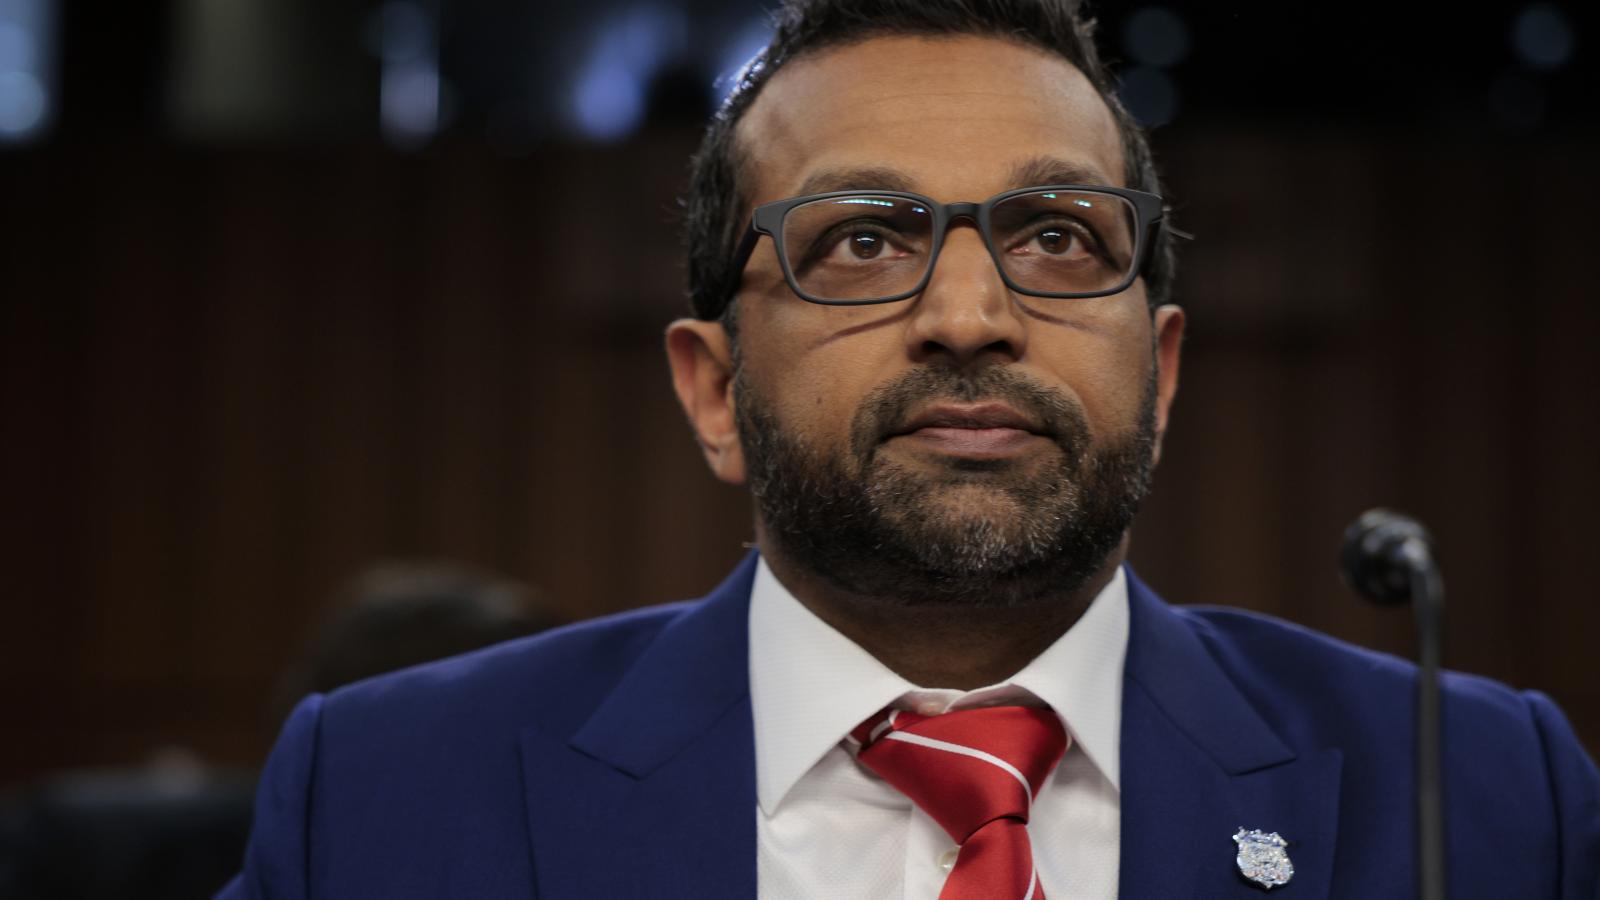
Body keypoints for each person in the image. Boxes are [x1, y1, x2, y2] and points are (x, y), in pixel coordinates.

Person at [218, 0, 1600, 897]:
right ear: (712, 391)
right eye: (864, 242)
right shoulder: (391, 801)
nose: (968, 317)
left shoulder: (1481, 800)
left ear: (1163, 374)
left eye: (1057, 238)